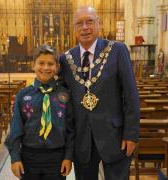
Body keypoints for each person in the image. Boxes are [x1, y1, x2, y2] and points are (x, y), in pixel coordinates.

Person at [59, 6, 140, 180]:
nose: (85, 27)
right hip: (82, 139)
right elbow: (62, 101)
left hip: (115, 136)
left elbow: (131, 94)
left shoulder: (117, 50)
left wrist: (131, 134)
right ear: (73, 29)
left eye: (89, 21)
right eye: (79, 23)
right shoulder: (66, 59)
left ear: (99, 24)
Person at [5, 45, 74, 180]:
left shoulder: (65, 95)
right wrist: (15, 157)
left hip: (57, 157)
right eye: (41, 63)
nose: (46, 68)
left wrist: (68, 157)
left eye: (50, 64)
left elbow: (71, 129)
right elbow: (15, 129)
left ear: (57, 67)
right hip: (29, 157)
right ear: (33, 65)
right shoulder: (23, 95)